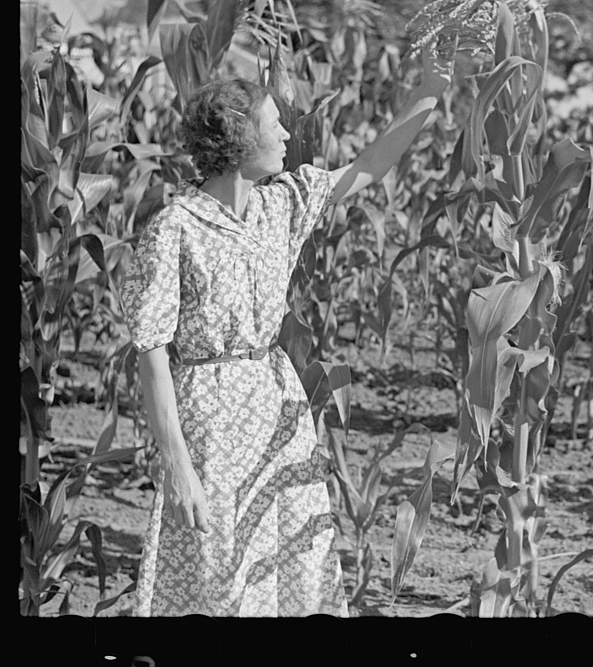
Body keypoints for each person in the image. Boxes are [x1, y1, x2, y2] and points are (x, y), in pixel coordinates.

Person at [121, 48, 451, 617]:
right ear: (238, 141)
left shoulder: (283, 206)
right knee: (220, 570)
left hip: (277, 409)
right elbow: (151, 356)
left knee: (289, 560)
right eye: (274, 125)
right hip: (212, 420)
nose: (286, 134)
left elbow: (370, 165)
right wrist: (176, 466)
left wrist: (428, 91)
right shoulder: (174, 227)